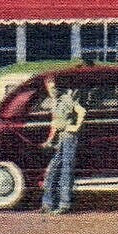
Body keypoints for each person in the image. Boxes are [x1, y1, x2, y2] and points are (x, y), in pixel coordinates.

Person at [39, 75, 85, 214]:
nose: (52, 90)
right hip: (60, 137)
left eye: (54, 87)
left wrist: (76, 127)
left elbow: (82, 111)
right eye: (50, 87)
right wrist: (50, 140)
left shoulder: (66, 98)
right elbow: (55, 124)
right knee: (53, 169)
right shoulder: (54, 102)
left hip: (69, 136)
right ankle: (48, 204)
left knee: (66, 169)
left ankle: (64, 204)